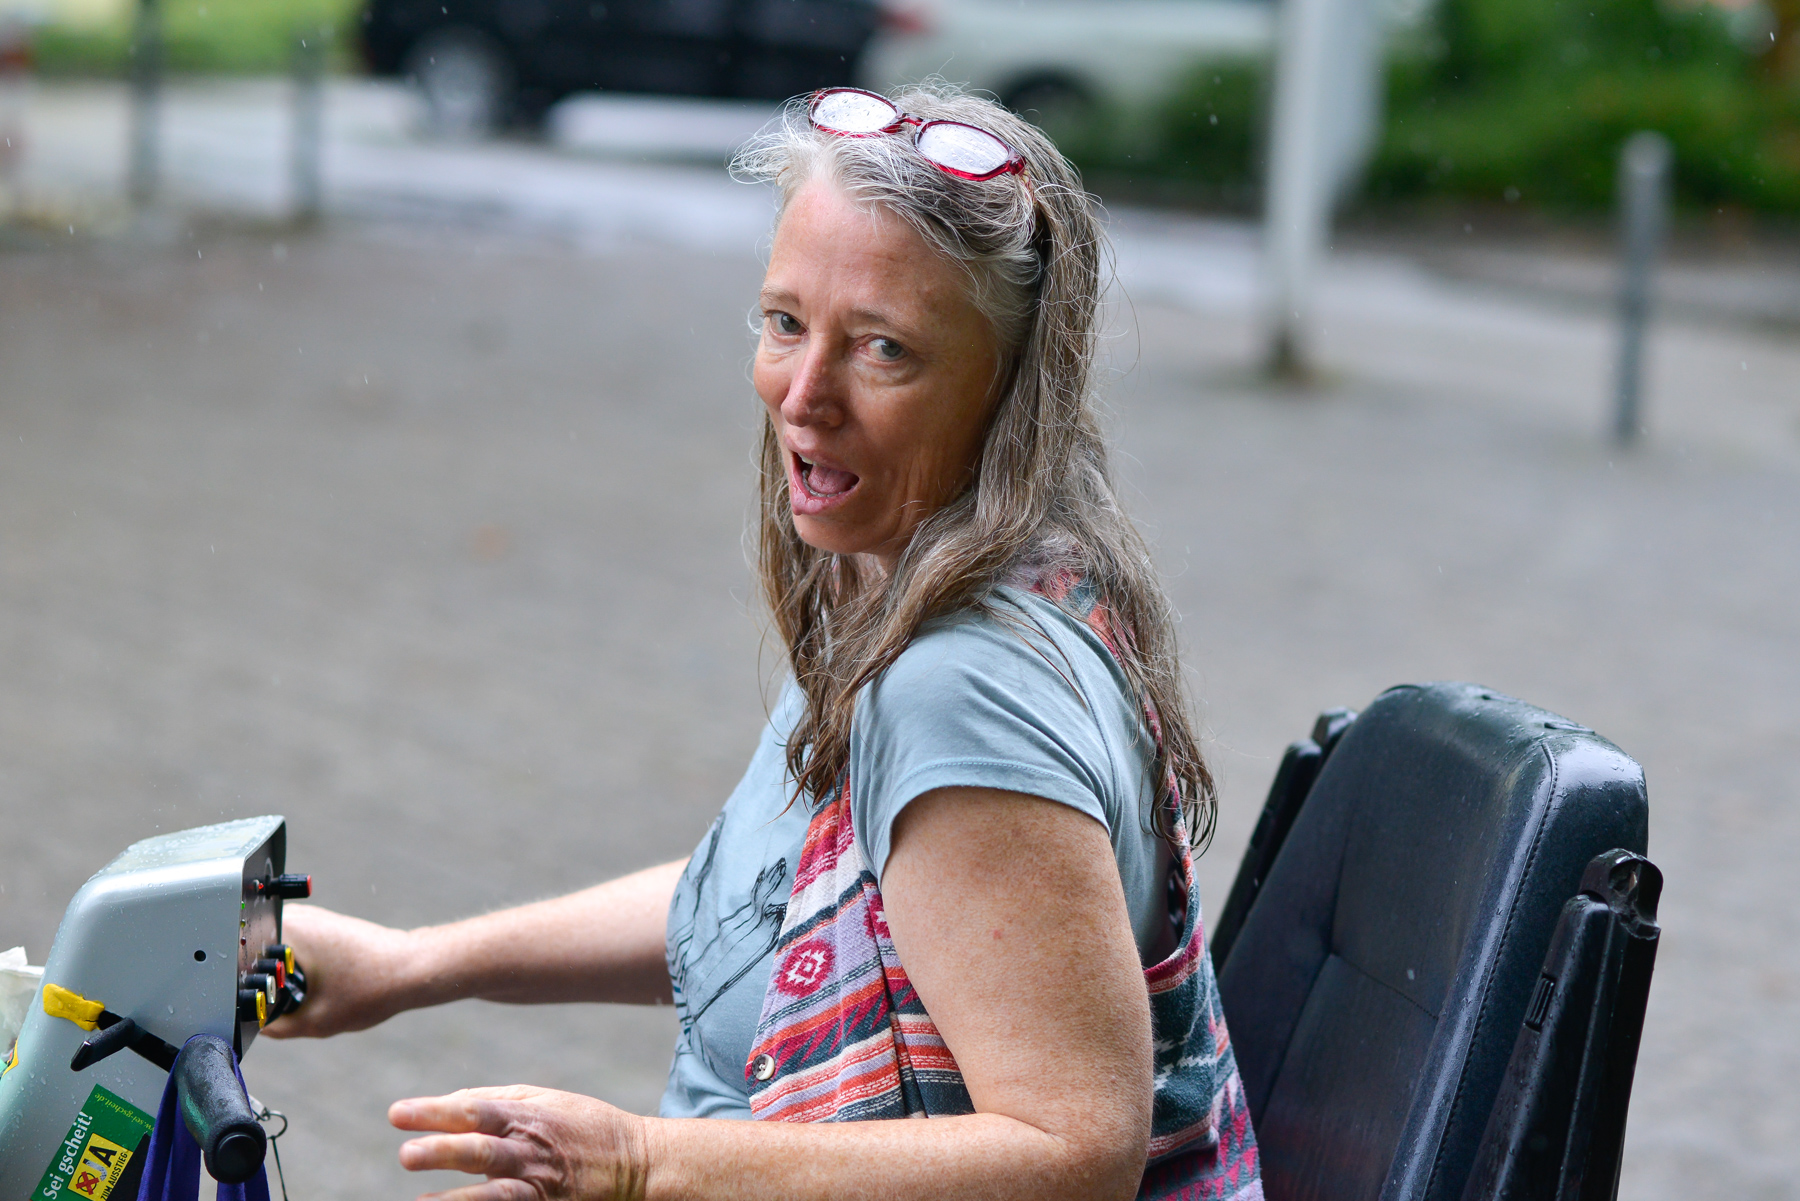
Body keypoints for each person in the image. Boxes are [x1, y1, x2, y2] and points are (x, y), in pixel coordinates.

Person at [268, 81, 1262, 1201]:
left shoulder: (959, 688)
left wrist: (638, 1164)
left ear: (1010, 389)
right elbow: (752, 906)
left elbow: (1074, 1150)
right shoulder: (915, 578)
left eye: (883, 348)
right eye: (786, 322)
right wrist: (413, 964)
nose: (803, 394)